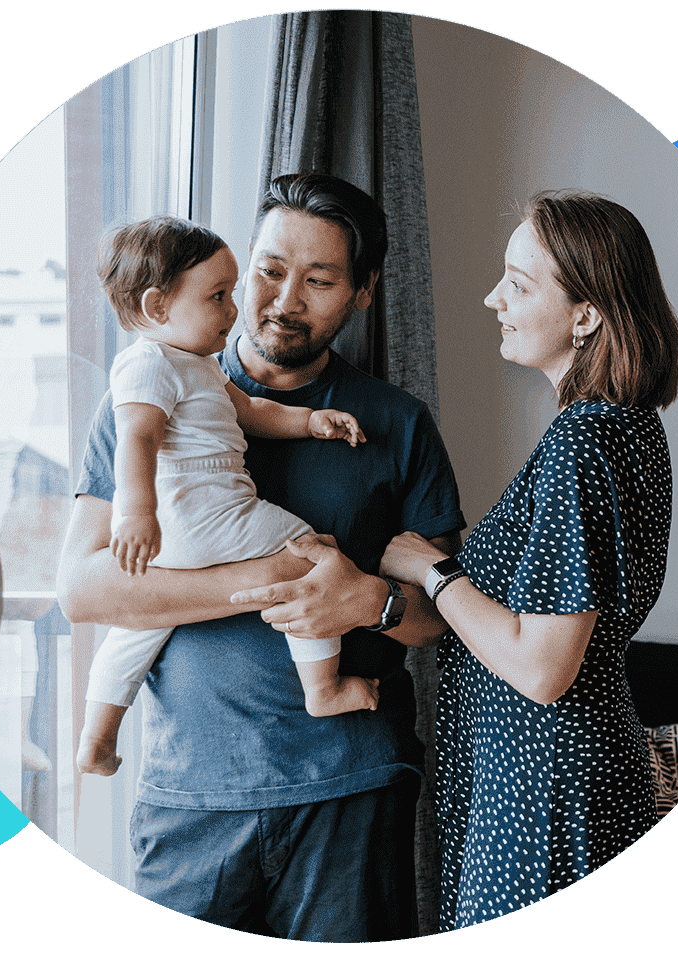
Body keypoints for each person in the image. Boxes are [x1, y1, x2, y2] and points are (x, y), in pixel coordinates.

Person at [56, 173, 465, 941]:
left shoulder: (398, 425)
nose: (283, 301)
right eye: (270, 271)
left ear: (363, 292)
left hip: (349, 791)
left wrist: (372, 603)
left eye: (320, 280)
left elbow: (440, 621)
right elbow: (84, 591)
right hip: (191, 797)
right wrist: (266, 579)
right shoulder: (147, 391)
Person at [381, 191, 678, 930]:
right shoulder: (623, 429)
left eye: (518, 285)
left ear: (586, 316)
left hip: (543, 792)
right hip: (543, 782)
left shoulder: (585, 440)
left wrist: (431, 569)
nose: (493, 298)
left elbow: (542, 668)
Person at [77, 215, 380, 779]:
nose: (234, 310)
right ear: (156, 307)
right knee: (314, 555)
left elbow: (255, 413)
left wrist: (312, 421)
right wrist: (136, 513)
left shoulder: (197, 368)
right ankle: (323, 687)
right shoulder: (146, 365)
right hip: (205, 518)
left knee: (136, 632)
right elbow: (136, 440)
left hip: (175, 543)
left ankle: (98, 736)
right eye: (218, 296)